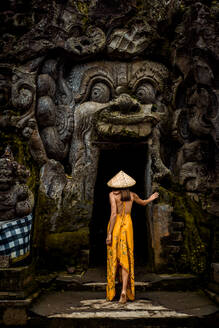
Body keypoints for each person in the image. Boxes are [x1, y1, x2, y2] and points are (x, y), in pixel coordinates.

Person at [106, 170, 159, 303]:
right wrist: (151, 198)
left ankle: (112, 292)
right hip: (128, 226)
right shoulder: (132, 195)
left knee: (114, 258)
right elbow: (143, 203)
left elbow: (113, 214)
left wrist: (109, 234)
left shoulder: (112, 195)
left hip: (117, 226)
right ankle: (124, 290)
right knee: (126, 257)